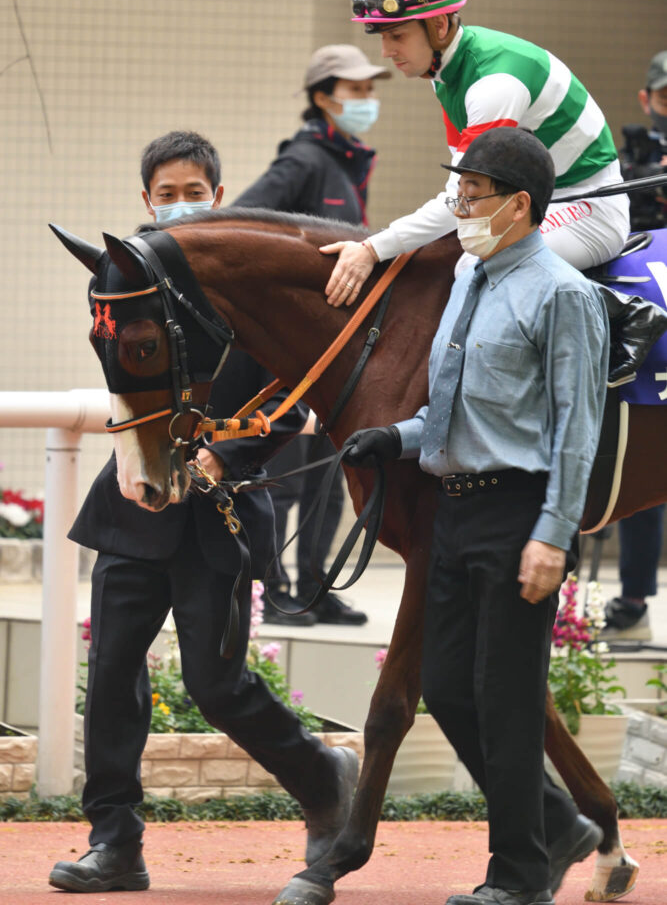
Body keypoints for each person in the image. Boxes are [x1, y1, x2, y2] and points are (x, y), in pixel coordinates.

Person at [48, 131, 358, 893]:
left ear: (219, 197)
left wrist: (227, 457)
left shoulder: (246, 284)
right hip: (130, 511)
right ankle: (114, 842)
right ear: (144, 200)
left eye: (194, 191)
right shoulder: (127, 283)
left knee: (215, 686)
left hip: (219, 513)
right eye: (165, 191)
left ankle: (323, 777)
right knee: (113, 672)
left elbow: (293, 391)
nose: (179, 203)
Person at [343, 127, 609, 905]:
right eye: (457, 189)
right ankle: (554, 828)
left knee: (506, 696)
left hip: (518, 514)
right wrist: (394, 435)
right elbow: (451, 410)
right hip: (454, 511)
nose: (458, 203)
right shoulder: (467, 273)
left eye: (471, 191)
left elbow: (574, 430)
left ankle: (517, 875)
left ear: (518, 204)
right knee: (449, 687)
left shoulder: (563, 294)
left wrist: (551, 535)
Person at [321, 0, 630, 307]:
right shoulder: (445, 72)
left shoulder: (493, 83)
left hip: (589, 206)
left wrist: (373, 248)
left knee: (473, 269)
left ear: (438, 26)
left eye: (398, 36)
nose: (386, 52)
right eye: (383, 38)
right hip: (532, 204)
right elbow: (463, 187)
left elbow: (462, 201)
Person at [233, 44, 391, 626]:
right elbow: (243, 224)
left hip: (333, 347)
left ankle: (316, 588)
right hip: (290, 351)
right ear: (323, 96)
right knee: (281, 471)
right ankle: (273, 592)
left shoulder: (347, 161)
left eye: (371, 90)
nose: (368, 100)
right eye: (356, 91)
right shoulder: (304, 160)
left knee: (330, 466)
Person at [602, 50, 667, 642]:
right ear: (647, 100)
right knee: (642, 459)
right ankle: (634, 595)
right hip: (646, 326)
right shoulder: (625, 164)